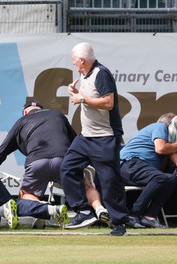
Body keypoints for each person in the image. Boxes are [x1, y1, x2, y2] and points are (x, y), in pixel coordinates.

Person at [0, 100, 110, 226]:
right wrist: (86, 163)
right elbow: (76, 141)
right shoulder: (57, 114)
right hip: (63, 161)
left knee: (26, 194)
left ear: (25, 112)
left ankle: (49, 209)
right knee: (87, 187)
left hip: (37, 163)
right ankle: (98, 209)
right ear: (42, 109)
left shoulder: (21, 122)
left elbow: (1, 152)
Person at [60, 42, 129, 236]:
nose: (74, 64)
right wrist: (77, 94)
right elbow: (90, 98)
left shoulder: (101, 73)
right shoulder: (84, 74)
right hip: (85, 137)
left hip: (105, 138)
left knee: (109, 181)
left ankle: (119, 223)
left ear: (82, 60)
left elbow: (108, 102)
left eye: (74, 61)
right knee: (67, 168)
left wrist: (81, 99)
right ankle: (83, 211)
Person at [120, 115, 177, 229]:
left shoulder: (167, 142)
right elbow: (160, 148)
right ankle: (133, 215)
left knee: (171, 179)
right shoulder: (160, 126)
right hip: (131, 163)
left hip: (140, 168)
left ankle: (150, 216)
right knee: (160, 178)